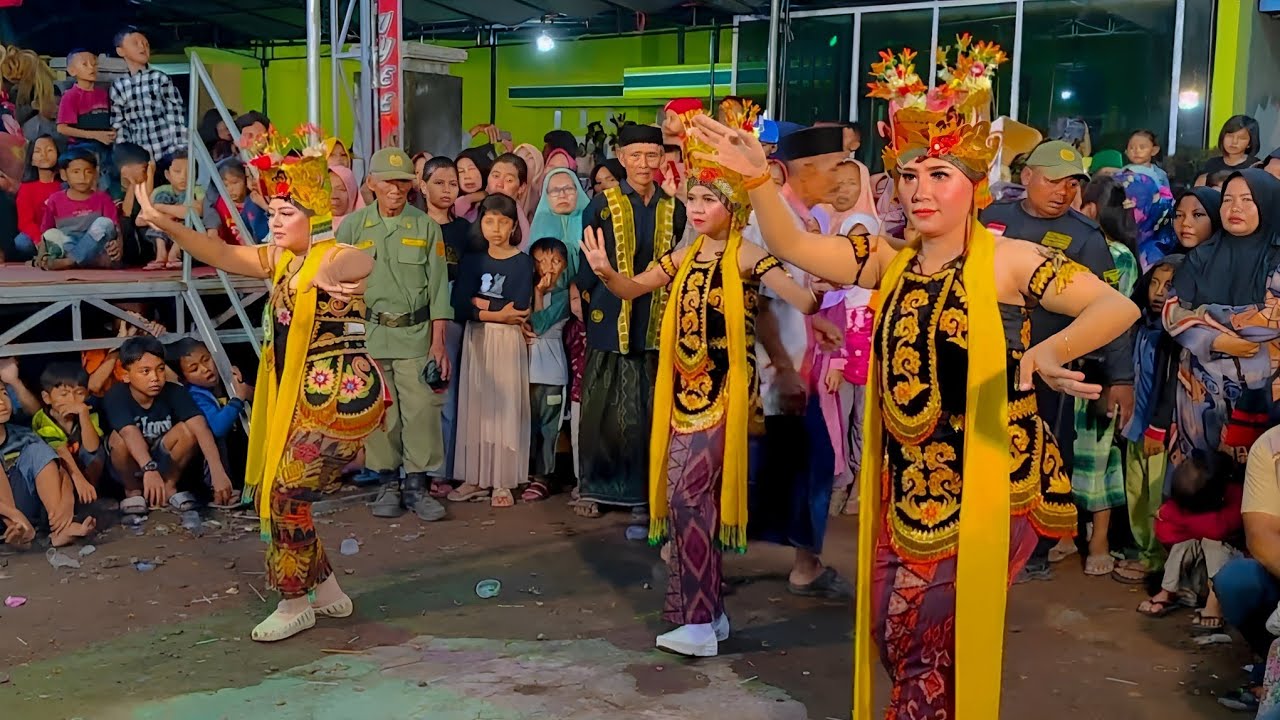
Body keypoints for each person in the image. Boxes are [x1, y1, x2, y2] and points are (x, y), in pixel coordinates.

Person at [688, 35, 1139, 716]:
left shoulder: (1009, 261)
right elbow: (793, 244)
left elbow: (1116, 306)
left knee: (926, 635)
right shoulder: (888, 258)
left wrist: (1047, 353)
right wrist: (756, 180)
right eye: (909, 174)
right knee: (891, 630)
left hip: (987, 479)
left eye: (940, 174)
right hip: (908, 485)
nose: (920, 190)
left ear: (975, 185)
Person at [582, 99, 817, 657]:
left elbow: (802, 298)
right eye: (692, 198)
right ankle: (709, 615)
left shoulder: (746, 255)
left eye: (708, 199)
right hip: (682, 397)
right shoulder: (683, 256)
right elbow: (633, 289)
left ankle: (696, 621)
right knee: (690, 504)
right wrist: (607, 272)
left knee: (689, 498)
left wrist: (820, 290)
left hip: (724, 395)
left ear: (733, 205)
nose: (696, 208)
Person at [134, 123, 383, 642]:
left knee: (283, 495)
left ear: (314, 217)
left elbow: (364, 260)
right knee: (286, 496)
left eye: (285, 214)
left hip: (334, 403)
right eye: (272, 213)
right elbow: (222, 254)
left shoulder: (331, 255)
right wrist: (165, 223)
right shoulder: (283, 260)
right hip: (297, 402)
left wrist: (332, 272)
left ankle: (294, 602)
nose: (273, 222)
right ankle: (326, 588)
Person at [981, 139, 1135, 582]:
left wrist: (1121, 378)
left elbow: (1113, 310)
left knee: (1043, 452)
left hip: (1050, 369)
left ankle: (1035, 549)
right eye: (1053, 181)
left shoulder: (1084, 236)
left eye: (1071, 184)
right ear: (1027, 176)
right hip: (988, 358)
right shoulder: (991, 219)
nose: (1063, 192)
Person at [742, 124, 854, 598]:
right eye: (834, 166)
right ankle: (692, 548)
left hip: (792, 365)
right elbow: (762, 305)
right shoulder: (771, 221)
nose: (842, 175)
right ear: (803, 171)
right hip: (773, 375)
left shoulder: (802, 218)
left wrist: (814, 322)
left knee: (794, 467)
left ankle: (804, 563)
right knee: (774, 467)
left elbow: (787, 296)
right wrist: (785, 368)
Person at [574, 123, 688, 519]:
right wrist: (588, 299)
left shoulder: (675, 207)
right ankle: (593, 487)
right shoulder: (602, 205)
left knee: (647, 411)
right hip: (610, 315)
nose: (643, 163)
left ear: (662, 159)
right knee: (601, 409)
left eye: (651, 155)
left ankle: (642, 494)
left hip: (656, 317)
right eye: (635, 155)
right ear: (621, 158)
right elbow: (586, 264)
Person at [338, 147, 452, 523]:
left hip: (416, 334)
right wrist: (349, 343)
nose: (395, 189)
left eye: (402, 181)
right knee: (381, 413)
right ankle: (388, 483)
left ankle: (417, 486)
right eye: (387, 181)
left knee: (420, 412)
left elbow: (439, 290)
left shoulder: (426, 227)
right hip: (370, 334)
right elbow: (340, 289)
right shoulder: (353, 227)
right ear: (371, 183)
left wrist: (438, 343)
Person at [1165, 170, 1280, 479]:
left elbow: (1273, 319)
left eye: (1247, 200)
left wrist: (1205, 313)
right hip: (1200, 394)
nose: (1234, 208)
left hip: (1263, 391)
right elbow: (1171, 312)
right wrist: (1214, 341)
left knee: (1259, 481)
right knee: (1199, 481)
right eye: (1227, 199)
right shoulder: (1201, 255)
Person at [1056, 174, 1139, 577]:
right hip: (1064, 363)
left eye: (1075, 197)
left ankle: (1099, 540)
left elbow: (1109, 318)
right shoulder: (1069, 244)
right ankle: (1065, 532)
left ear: (1091, 208)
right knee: (1063, 452)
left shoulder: (1117, 256)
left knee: (1098, 455)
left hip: (1098, 367)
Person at [449, 193, 535, 508]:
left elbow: (520, 307)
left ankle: (502, 481)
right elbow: (459, 304)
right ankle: (474, 478)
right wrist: (496, 312)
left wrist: (479, 303)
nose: (496, 229)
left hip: (507, 341)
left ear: (514, 225)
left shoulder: (523, 262)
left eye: (503, 222)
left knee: (505, 407)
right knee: (476, 409)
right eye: (489, 221)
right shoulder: (473, 260)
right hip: (478, 339)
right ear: (480, 223)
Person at [104, 335, 229, 517]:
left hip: (163, 460)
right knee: (119, 439)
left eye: (160, 369)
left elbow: (200, 426)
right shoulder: (116, 395)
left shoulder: (175, 391)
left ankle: (168, 487)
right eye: (145, 372)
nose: (155, 378)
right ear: (125, 375)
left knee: (189, 430)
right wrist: (149, 468)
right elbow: (129, 432)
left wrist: (218, 472)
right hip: (133, 463)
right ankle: (133, 491)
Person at [1120, 255, 1182, 580]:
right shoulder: (1141, 325)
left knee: (1156, 495)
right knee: (1136, 491)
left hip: (1157, 429)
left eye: (1168, 285)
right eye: (1155, 283)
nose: (1159, 292)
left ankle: (1156, 560)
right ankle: (1144, 550)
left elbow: (1169, 387)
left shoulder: (1175, 335)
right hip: (1135, 425)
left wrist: (1159, 426)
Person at [1136, 450, 1242, 632]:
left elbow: (1217, 528)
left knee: (1212, 542)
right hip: (1198, 574)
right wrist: (1193, 525)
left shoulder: (1236, 495)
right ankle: (1168, 591)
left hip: (1229, 570)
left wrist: (1179, 519)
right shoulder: (1188, 499)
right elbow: (1165, 533)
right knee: (1184, 544)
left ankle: (1215, 602)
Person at [0, 388, 96, 547]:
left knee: (38, 450)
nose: (2, 402)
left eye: (3, 393)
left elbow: (59, 468)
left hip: (27, 510)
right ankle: (18, 531)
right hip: (8, 517)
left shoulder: (24, 435)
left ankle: (60, 530)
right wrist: (14, 515)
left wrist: (67, 501)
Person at [170, 337, 252, 505]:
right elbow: (217, 427)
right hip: (210, 465)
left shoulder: (228, 379)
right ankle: (218, 491)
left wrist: (242, 385)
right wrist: (238, 399)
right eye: (194, 369)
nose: (205, 369)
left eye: (206, 359)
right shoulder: (194, 395)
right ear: (184, 378)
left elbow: (254, 396)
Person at [525, 236, 572, 502]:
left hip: (552, 373)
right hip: (526, 371)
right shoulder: (525, 291)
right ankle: (529, 473)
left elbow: (539, 325)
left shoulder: (564, 297)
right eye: (541, 261)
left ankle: (544, 478)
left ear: (565, 265)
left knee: (548, 428)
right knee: (529, 426)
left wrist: (539, 294)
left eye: (555, 261)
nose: (548, 267)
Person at [110, 28, 186, 161]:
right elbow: (119, 124)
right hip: (138, 157)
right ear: (120, 51)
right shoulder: (119, 85)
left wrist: (180, 149)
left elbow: (175, 115)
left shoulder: (160, 78)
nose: (143, 47)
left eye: (146, 44)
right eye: (136, 43)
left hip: (167, 152)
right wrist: (125, 156)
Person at [34, 148, 117, 270]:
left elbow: (115, 228)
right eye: (76, 172)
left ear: (95, 174)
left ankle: (71, 261)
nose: (82, 177)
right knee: (51, 233)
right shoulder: (55, 199)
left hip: (96, 247)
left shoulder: (103, 198)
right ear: (63, 174)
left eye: (88, 172)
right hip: (69, 244)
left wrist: (119, 247)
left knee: (104, 223)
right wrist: (40, 256)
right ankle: (88, 261)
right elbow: (46, 231)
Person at [31, 362, 104, 498]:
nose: (72, 400)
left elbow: (92, 447)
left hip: (84, 469)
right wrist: (79, 480)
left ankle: (90, 496)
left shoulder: (87, 412)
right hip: (61, 470)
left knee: (97, 453)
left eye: (79, 393)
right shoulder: (42, 419)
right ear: (47, 398)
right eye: (64, 395)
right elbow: (61, 451)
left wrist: (83, 415)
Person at [145, 150, 203, 270]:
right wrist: (166, 217)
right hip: (165, 234)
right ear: (167, 175)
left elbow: (195, 212)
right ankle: (161, 254)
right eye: (177, 171)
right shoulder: (160, 191)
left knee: (186, 207)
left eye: (189, 172)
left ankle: (174, 254)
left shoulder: (197, 190)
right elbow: (141, 219)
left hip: (187, 239)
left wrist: (160, 208)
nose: (183, 177)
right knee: (161, 201)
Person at [13, 134, 59, 262]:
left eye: (49, 150)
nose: (44, 155)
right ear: (31, 159)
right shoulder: (26, 188)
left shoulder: (65, 186)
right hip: (36, 237)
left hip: (60, 234)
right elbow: (25, 222)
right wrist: (39, 240)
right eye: (38, 151)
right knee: (21, 242)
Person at [203, 158, 269, 245]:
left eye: (235, 183)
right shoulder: (221, 204)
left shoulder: (255, 201)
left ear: (245, 180)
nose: (230, 189)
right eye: (225, 185)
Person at [57, 50, 112, 152]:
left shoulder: (103, 94)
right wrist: (94, 135)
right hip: (80, 149)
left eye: (94, 64)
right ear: (72, 71)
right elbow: (62, 128)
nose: (91, 68)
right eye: (85, 64)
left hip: (104, 147)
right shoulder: (70, 96)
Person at [1198, 115, 1261, 184]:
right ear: (1223, 137)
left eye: (1241, 138)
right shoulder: (1211, 164)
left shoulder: (1256, 166)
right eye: (1230, 136)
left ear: (1250, 143)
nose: (1234, 141)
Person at [486, 152, 531, 245]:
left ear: (521, 188)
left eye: (509, 180)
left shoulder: (521, 227)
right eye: (496, 176)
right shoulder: (476, 207)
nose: (499, 184)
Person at [1171, 187, 1221, 253]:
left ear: (1215, 217)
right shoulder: (1167, 256)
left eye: (1198, 215)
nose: (1185, 223)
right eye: (1179, 215)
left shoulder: (1228, 257)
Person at [328, 164, 361, 231]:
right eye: (328, 189)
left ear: (352, 192)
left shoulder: (364, 226)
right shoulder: (311, 226)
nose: (333, 196)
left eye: (341, 189)